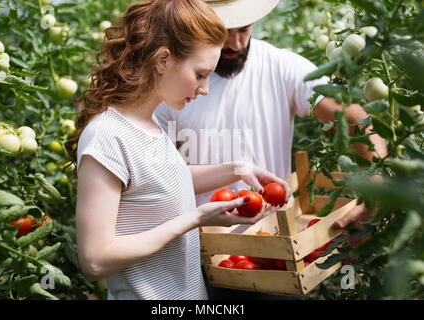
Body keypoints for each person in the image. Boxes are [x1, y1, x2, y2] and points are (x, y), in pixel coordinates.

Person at [154, 0, 388, 299]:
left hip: (276, 255)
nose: (235, 43)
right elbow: (158, 174)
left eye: (244, 29)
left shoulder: (281, 66)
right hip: (202, 258)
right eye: (223, 31)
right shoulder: (175, 82)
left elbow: (357, 119)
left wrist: (376, 185)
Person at [65, 0, 290, 300]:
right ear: (163, 61)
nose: (205, 88)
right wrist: (196, 218)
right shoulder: (107, 136)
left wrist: (237, 169)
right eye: (199, 74)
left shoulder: (150, 126)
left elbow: (159, 184)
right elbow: (95, 260)